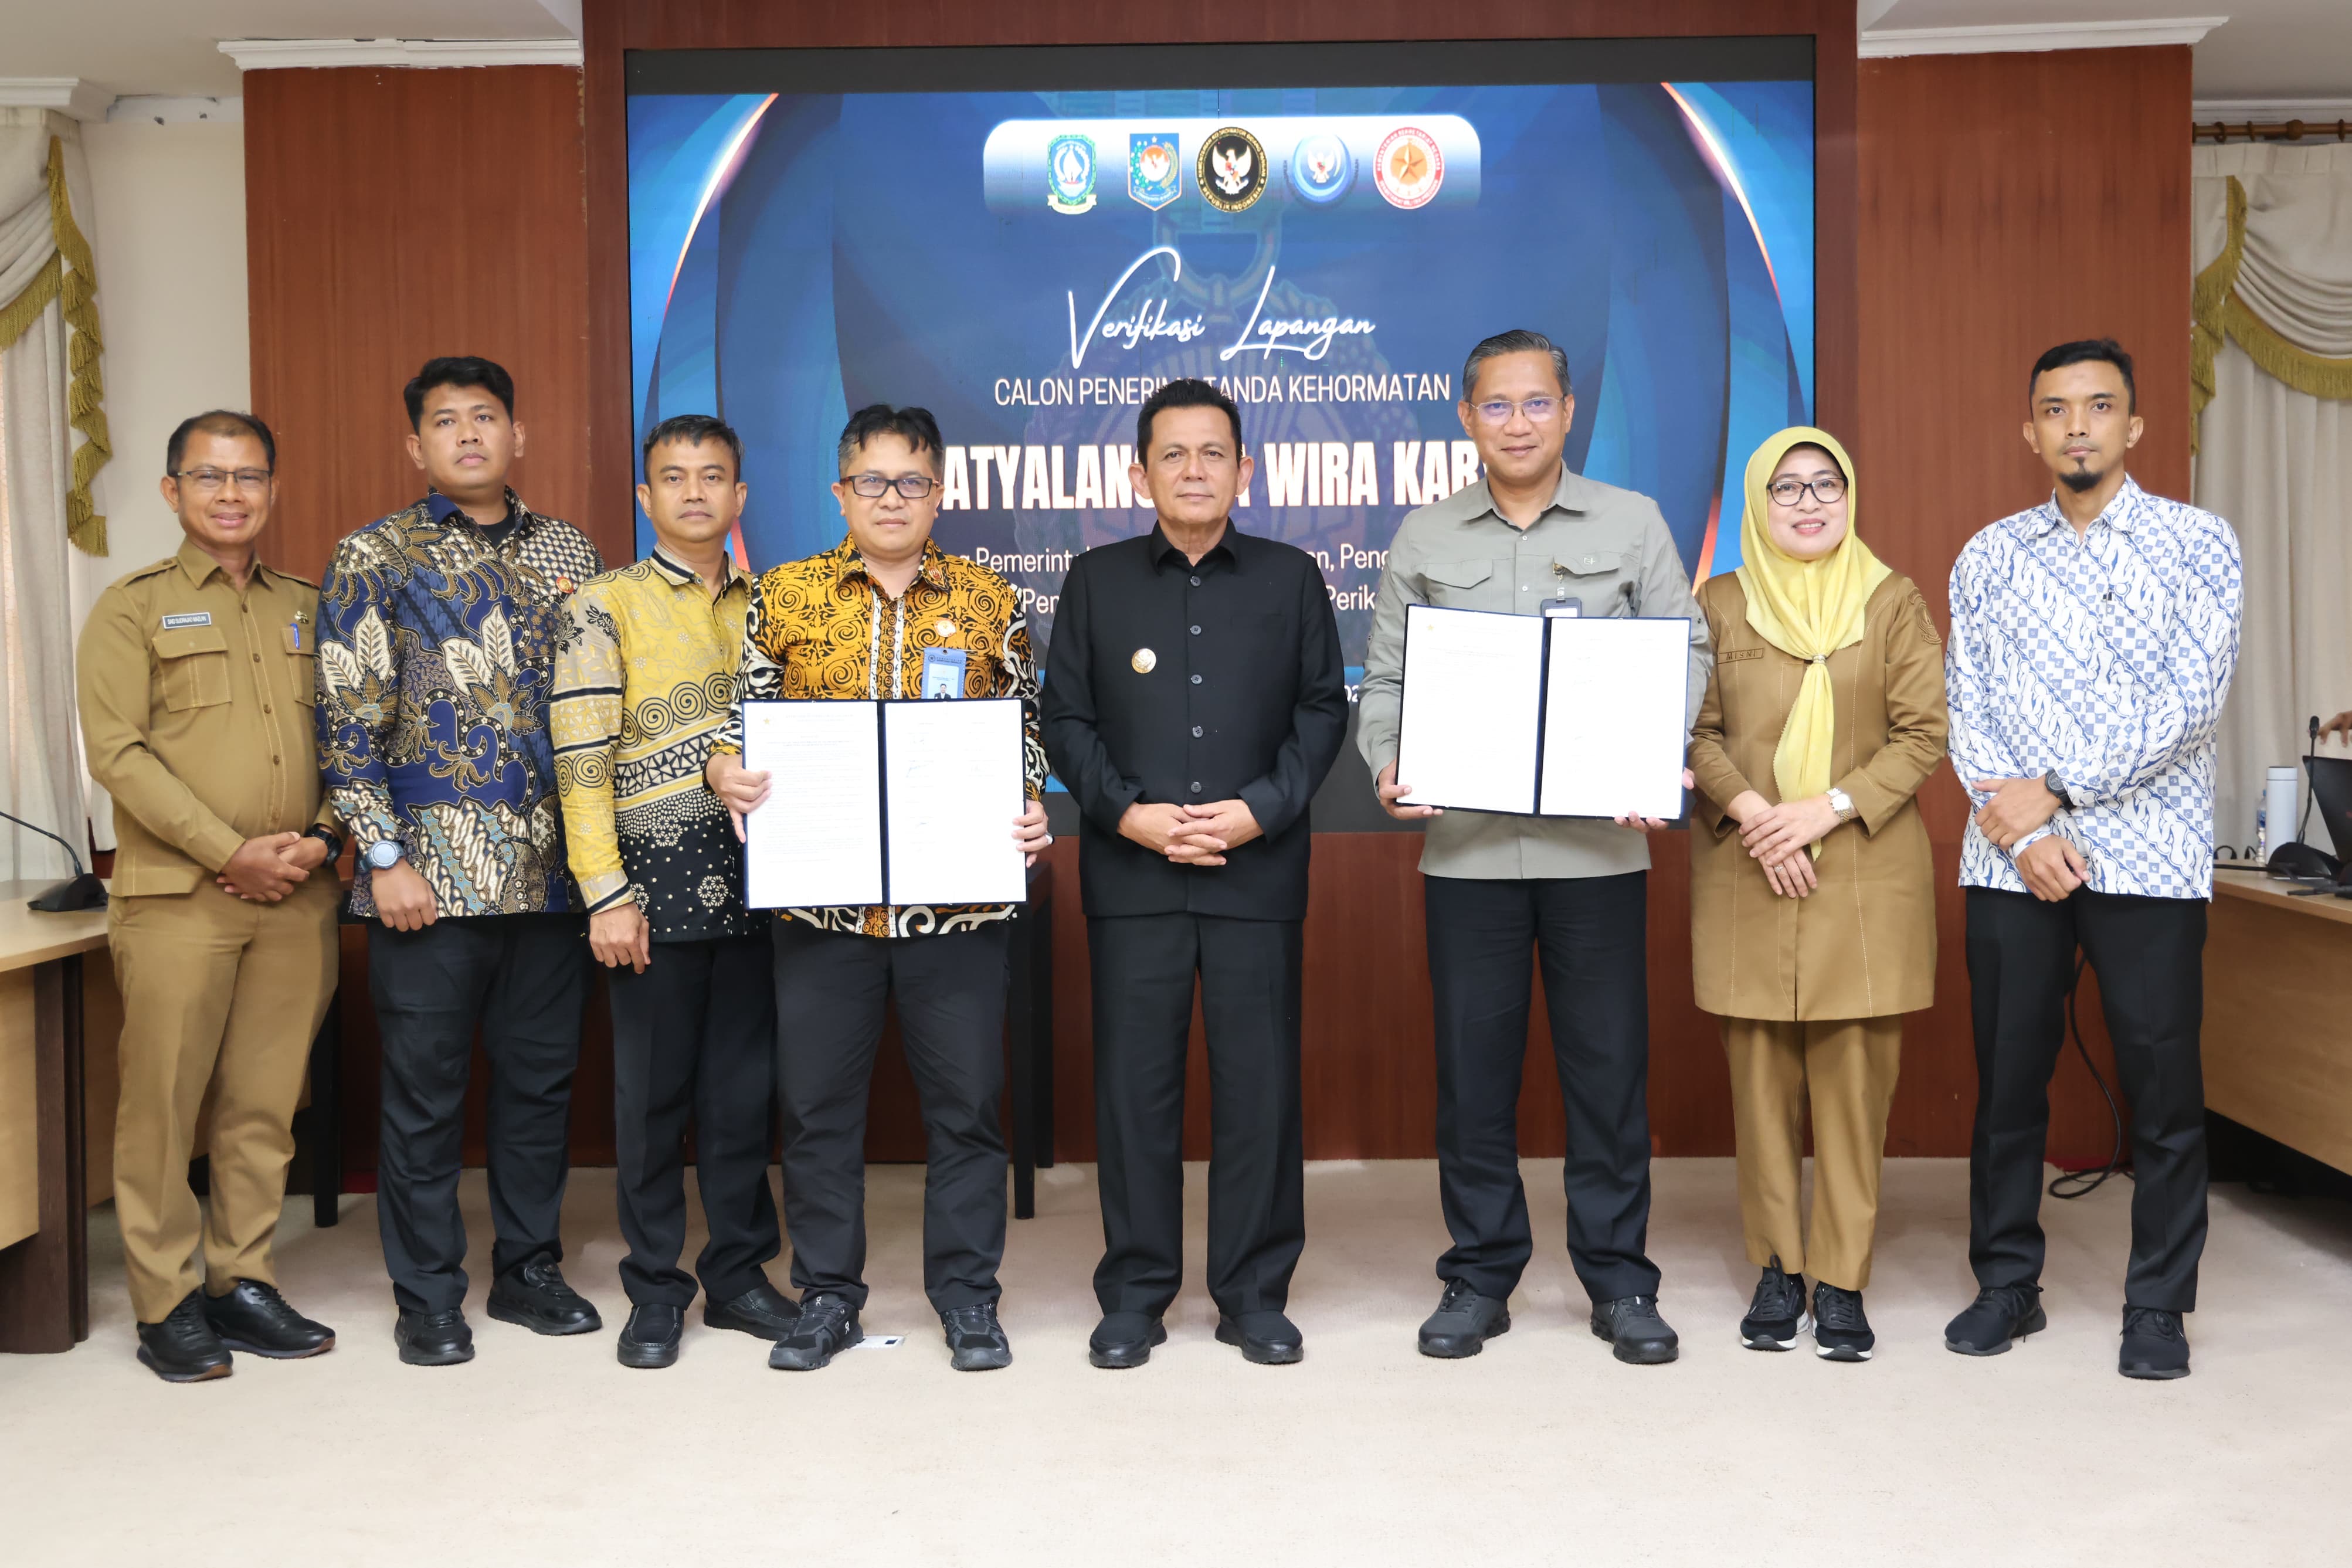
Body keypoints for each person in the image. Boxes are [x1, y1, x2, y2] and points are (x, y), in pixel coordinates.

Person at [1358, 328, 1710, 1365]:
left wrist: (1650, 750)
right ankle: (1479, 1274)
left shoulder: (1633, 522)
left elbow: (1686, 647)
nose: (1519, 423)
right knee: (1473, 1078)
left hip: (1598, 855)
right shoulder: (1426, 534)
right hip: (1469, 856)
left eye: (1538, 402)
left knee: (1608, 1074)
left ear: (1569, 411)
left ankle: (1620, 1278)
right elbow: (1387, 678)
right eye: (1498, 406)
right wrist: (1389, 760)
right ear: (1467, 418)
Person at [705, 404, 1050, 1373]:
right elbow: (741, 725)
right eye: (871, 481)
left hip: (959, 903)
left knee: (968, 1107)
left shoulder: (989, 599)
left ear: (938, 494)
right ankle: (828, 1296)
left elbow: (1024, 729)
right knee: (818, 1111)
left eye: (910, 482)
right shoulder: (786, 595)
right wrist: (725, 772)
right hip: (824, 904)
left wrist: (1029, 800)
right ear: (840, 491)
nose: (890, 499)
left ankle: (968, 1297)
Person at [1944, 339, 2242, 1380]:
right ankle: (2006, 1282)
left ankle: (2157, 1302)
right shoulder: (1988, 555)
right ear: (2030, 431)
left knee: (2163, 1086)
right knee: (2007, 1084)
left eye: (2100, 406)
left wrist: (2060, 786)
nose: (2078, 426)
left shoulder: (2198, 544)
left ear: (2135, 425)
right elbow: (1968, 706)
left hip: (2151, 855)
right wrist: (2027, 831)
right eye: (2057, 409)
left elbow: (2190, 703)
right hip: (2012, 858)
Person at [1041, 377, 1348, 1369]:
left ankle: (1254, 1293)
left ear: (1244, 469)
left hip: (1257, 873)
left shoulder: (1292, 578)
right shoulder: (1095, 581)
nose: (1194, 470)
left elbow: (1322, 711)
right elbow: (1065, 718)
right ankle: (1135, 1292)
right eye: (1172, 454)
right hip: (1134, 876)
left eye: (1213, 453)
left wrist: (1260, 809)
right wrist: (1127, 814)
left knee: (1260, 1092)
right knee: (1136, 1094)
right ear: (1140, 475)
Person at [315, 355, 606, 1366]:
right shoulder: (373, 556)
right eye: (447, 421)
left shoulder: (571, 550)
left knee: (539, 1091)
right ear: (417, 446)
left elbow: (591, 709)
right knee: (425, 1099)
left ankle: (528, 1270)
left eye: (486, 416)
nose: (470, 434)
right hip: (426, 888)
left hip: (553, 883)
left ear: (519, 434)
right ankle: (429, 1293)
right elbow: (347, 720)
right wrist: (384, 856)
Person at [76, 412, 344, 1382]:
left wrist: (320, 839)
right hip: (178, 896)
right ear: (172, 491)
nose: (231, 494)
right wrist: (229, 851)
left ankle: (242, 1279)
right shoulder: (131, 609)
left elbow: (353, 737)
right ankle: (165, 1299)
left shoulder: (311, 605)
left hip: (296, 895)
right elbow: (118, 754)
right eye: (209, 476)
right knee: (163, 1102)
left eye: (249, 476)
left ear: (273, 488)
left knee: (264, 1102)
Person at [1685, 427, 1949, 1363]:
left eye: (1825, 484)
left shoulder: (1892, 600)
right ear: (1757, 502)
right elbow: (1694, 731)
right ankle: (1776, 1268)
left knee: (1852, 1089)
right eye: (1786, 487)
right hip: (1748, 863)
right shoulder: (1718, 602)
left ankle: (1841, 1278)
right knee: (1758, 1089)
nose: (1808, 502)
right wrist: (1763, 817)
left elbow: (1923, 734)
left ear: (1850, 495)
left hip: (1860, 871)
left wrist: (1822, 812)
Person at [550, 415, 793, 1369]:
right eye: (675, 477)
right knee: (651, 1103)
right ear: (645, 497)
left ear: (741, 496)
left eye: (713, 476)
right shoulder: (601, 606)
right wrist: (605, 894)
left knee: (743, 1098)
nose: (696, 492)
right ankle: (655, 1288)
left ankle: (737, 1276)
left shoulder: (776, 603)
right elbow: (580, 762)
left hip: (764, 891)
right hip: (648, 897)